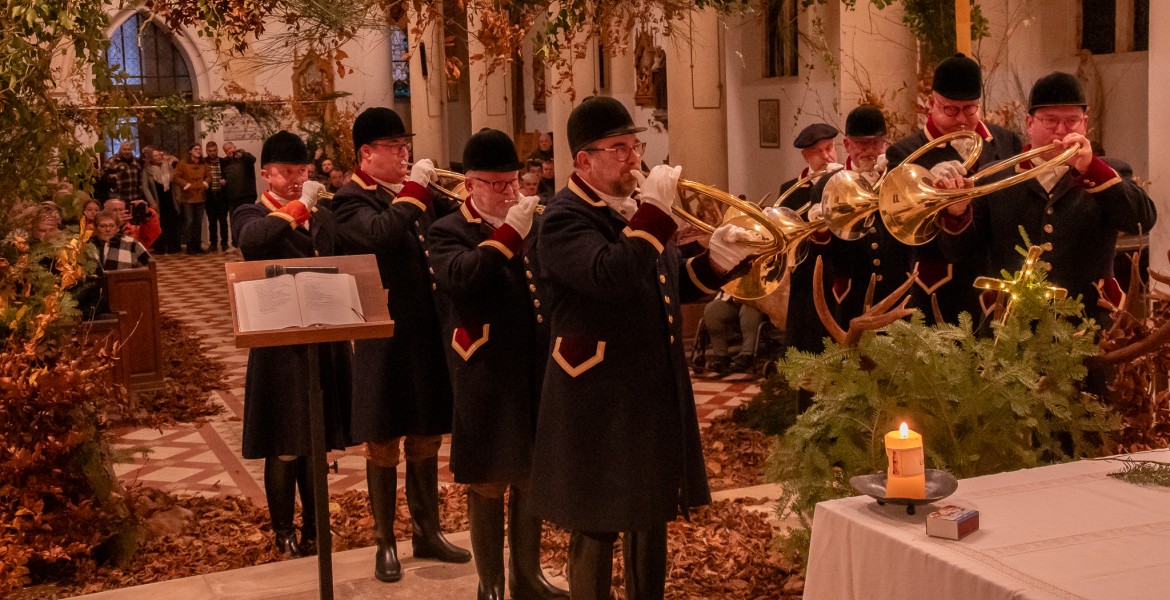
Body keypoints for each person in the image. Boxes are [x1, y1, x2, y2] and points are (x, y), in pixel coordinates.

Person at [531, 96, 758, 599]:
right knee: (597, 520)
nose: (633, 158)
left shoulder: (633, 211)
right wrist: (655, 215)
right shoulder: (563, 217)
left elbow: (666, 283)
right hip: (595, 395)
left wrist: (719, 262)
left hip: (649, 384)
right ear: (583, 160)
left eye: (635, 146)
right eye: (618, 148)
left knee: (649, 512)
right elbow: (608, 276)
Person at [428, 128, 569, 600]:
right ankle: (489, 584)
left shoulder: (534, 223)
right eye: (498, 184)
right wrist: (509, 234)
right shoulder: (448, 230)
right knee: (489, 479)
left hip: (534, 364)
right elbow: (462, 279)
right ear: (470, 185)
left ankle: (526, 577)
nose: (511, 192)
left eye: (514, 182)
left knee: (530, 475)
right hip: (483, 369)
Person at [331, 107, 470, 583]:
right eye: (394, 147)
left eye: (405, 146)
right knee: (384, 440)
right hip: (383, 336)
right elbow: (380, 234)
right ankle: (385, 542)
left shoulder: (419, 195)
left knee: (427, 434)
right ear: (366, 155)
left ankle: (427, 532)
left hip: (428, 331)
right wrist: (415, 192)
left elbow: (457, 226)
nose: (404, 153)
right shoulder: (350, 200)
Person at [938, 72, 1157, 322]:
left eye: (1072, 121)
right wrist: (957, 213)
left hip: (1090, 320)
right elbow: (959, 253)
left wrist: (1091, 169)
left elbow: (1143, 221)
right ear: (1029, 122)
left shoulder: (1109, 172)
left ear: (1085, 123)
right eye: (1050, 121)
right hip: (1012, 322)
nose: (1061, 131)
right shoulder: (993, 177)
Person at [231, 130, 352, 557]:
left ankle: (317, 530)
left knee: (317, 443)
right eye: (287, 173)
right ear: (266, 175)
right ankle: (282, 532)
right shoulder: (248, 211)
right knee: (285, 443)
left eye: (302, 171)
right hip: (279, 344)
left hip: (322, 336)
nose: (297, 179)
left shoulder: (322, 213)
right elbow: (253, 242)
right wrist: (299, 208)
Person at [886, 53, 1024, 325]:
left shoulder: (1007, 142)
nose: (961, 118)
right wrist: (925, 182)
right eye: (950, 109)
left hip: (997, 285)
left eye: (970, 109)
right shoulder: (905, 153)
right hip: (940, 293)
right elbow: (899, 225)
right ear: (931, 104)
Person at [816, 105, 911, 328]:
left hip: (896, 288)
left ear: (885, 143)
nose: (869, 151)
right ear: (847, 144)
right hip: (851, 296)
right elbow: (821, 255)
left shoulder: (899, 177)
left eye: (876, 143)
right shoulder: (826, 184)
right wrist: (821, 233)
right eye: (862, 143)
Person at [699, 293, 763, 374]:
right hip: (732, 298)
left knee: (749, 307)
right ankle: (721, 357)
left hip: (757, 299)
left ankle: (747, 355)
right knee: (712, 309)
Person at [141, 147, 181, 254]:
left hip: (169, 197)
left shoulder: (168, 165)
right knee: (159, 223)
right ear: (150, 158)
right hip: (157, 198)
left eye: (159, 155)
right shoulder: (147, 170)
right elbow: (145, 187)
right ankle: (161, 247)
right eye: (155, 156)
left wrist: (178, 198)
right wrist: (152, 202)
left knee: (172, 222)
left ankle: (174, 247)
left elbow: (175, 181)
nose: (158, 157)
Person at [173, 143, 210, 254]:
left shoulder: (203, 163)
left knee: (198, 222)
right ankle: (190, 246)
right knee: (189, 222)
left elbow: (209, 175)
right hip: (188, 197)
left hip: (200, 196)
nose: (198, 151)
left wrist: (205, 184)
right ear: (190, 151)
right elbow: (176, 177)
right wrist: (187, 185)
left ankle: (197, 245)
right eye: (195, 149)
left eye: (199, 149)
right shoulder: (183, 163)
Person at [222, 141, 258, 247]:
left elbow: (253, 159)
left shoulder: (245, 158)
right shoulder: (224, 162)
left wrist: (242, 154)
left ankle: (250, 240)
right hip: (232, 197)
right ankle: (236, 242)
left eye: (230, 148)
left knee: (250, 219)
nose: (229, 151)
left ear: (234, 147)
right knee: (234, 221)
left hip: (247, 196)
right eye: (226, 150)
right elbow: (223, 175)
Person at [204, 141, 231, 252]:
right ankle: (213, 243)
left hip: (222, 195)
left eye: (214, 150)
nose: (212, 153)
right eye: (210, 151)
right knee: (212, 221)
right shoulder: (203, 162)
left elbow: (229, 174)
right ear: (206, 151)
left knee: (223, 220)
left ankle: (224, 243)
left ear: (217, 150)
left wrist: (226, 181)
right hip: (209, 195)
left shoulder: (223, 161)